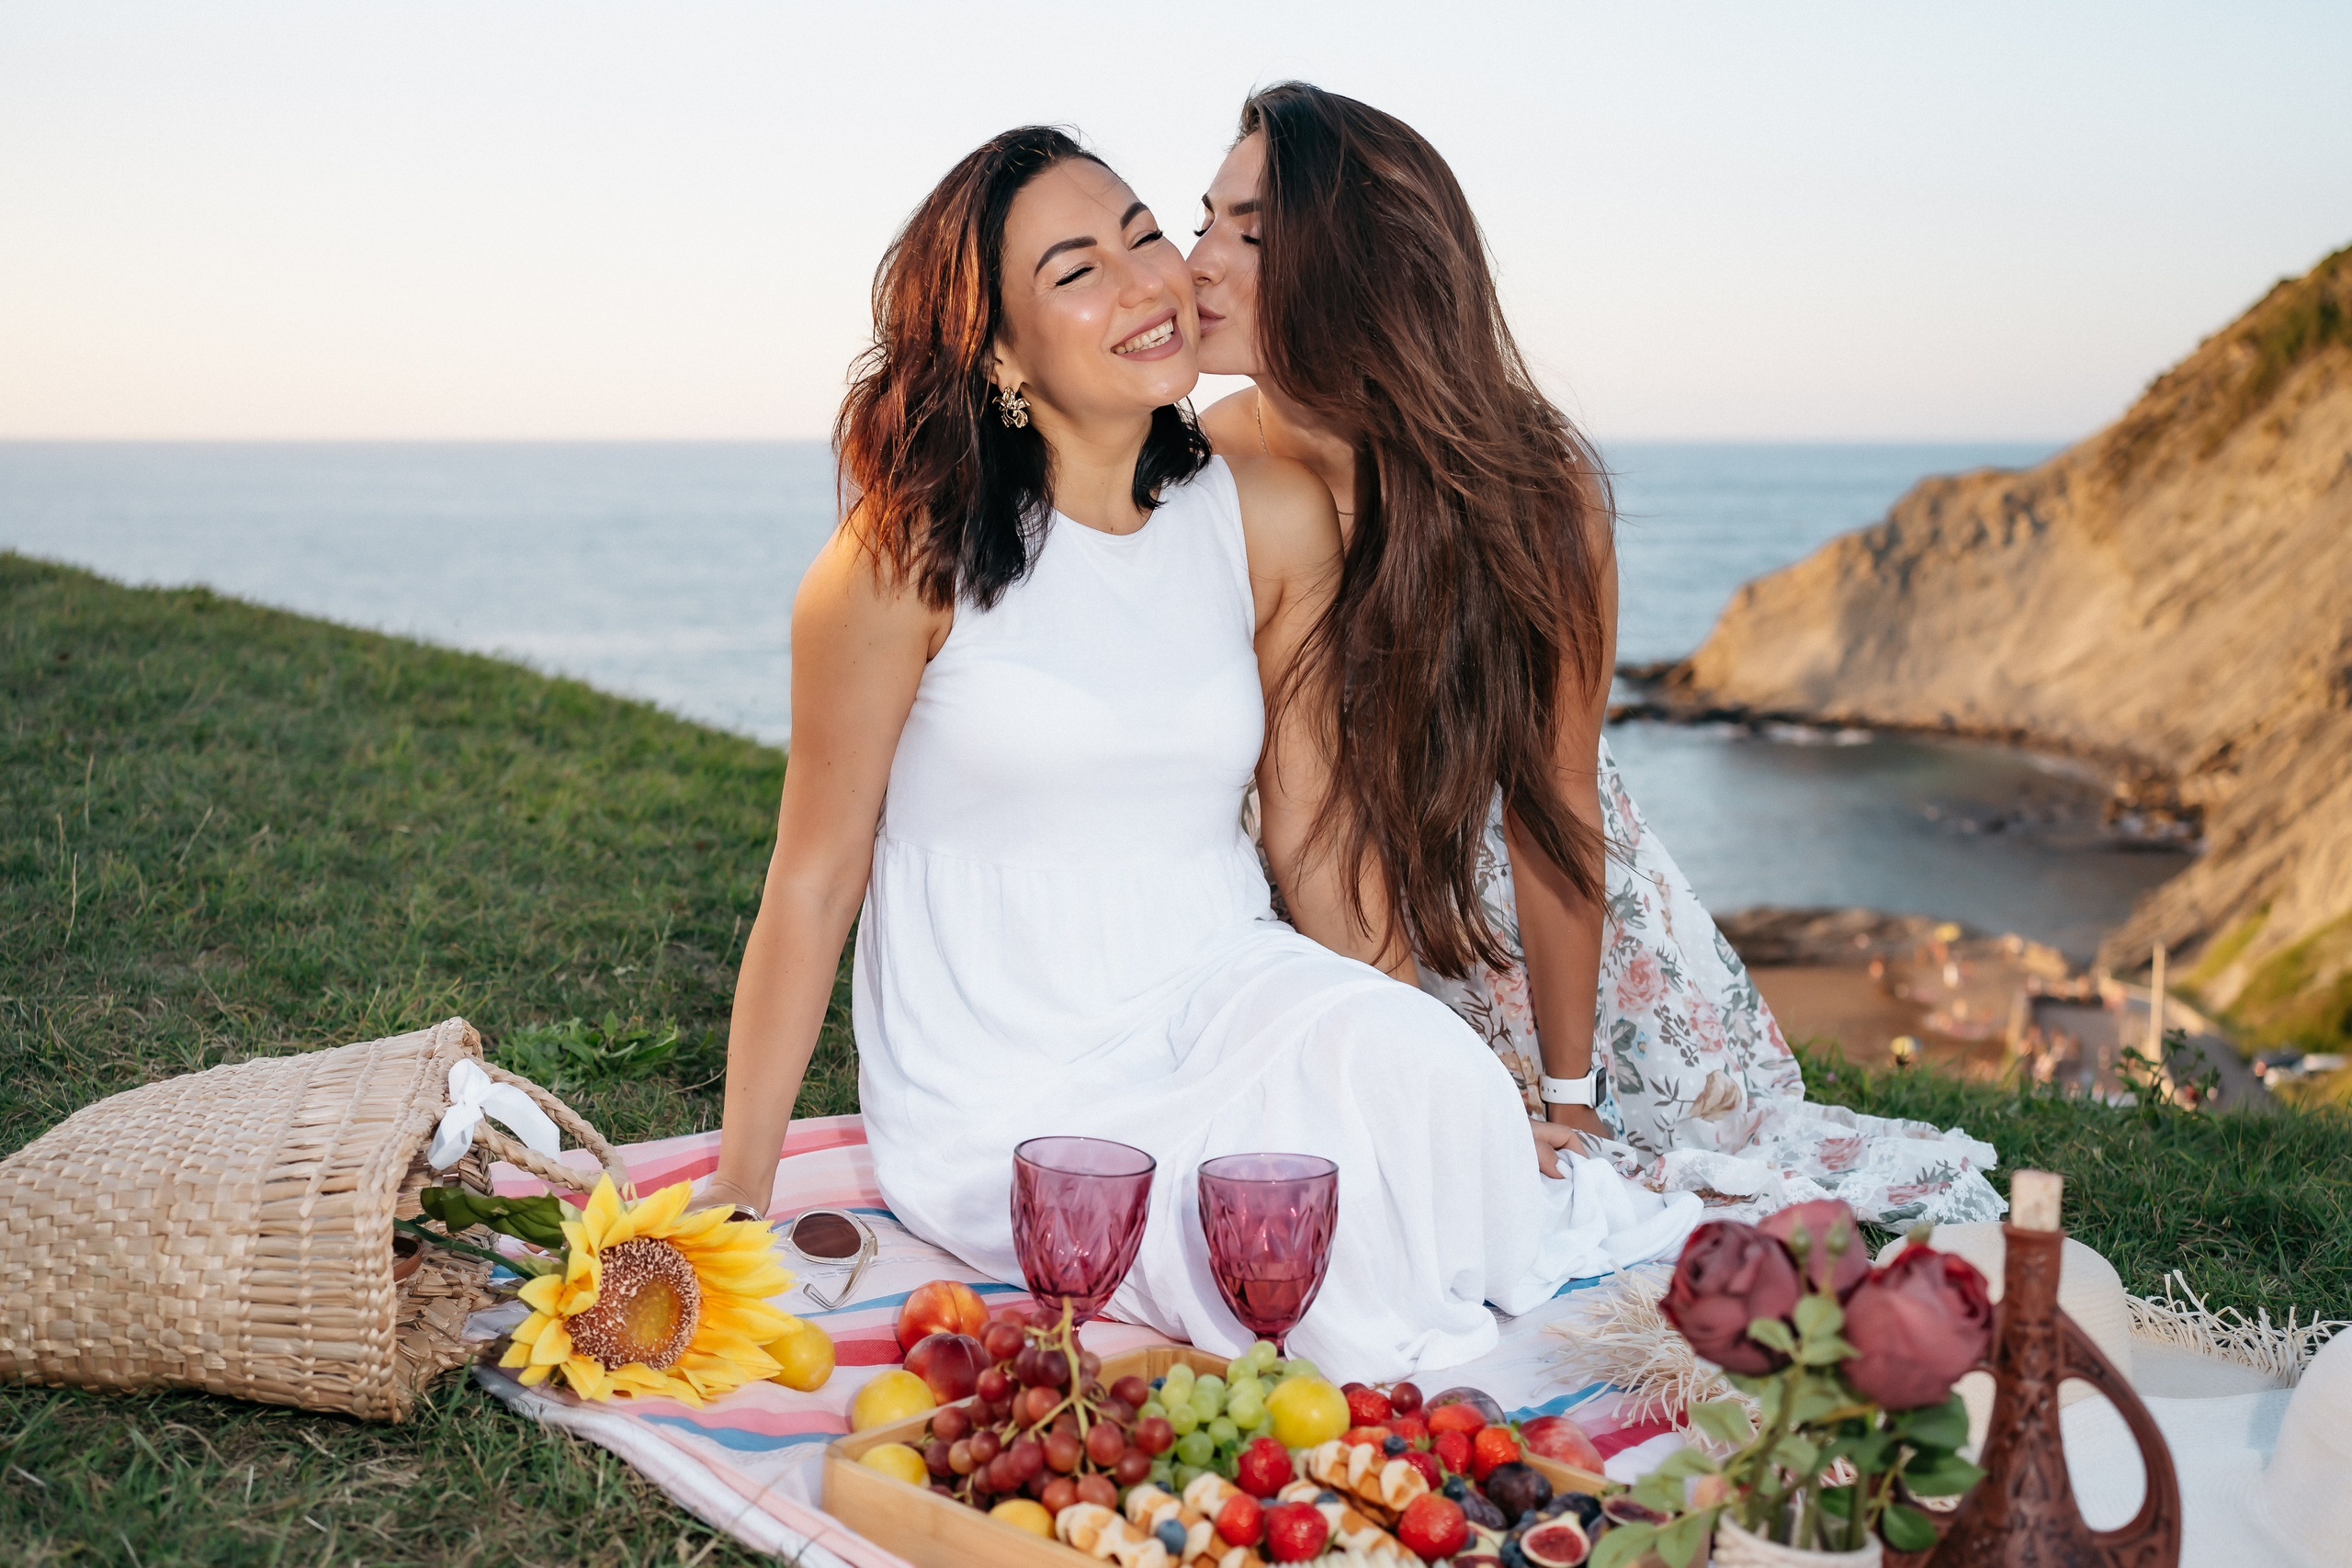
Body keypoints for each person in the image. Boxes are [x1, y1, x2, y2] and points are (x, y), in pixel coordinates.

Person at [703, 127, 1698, 1377]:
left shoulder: (1260, 512)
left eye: (1142, 235)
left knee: (1436, 1104)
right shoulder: (898, 563)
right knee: (1298, 1242)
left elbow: (1317, 836)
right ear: (999, 349)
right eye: (1077, 270)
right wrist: (739, 1184)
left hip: (1226, 983)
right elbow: (811, 879)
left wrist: (1425, 1063)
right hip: (1011, 1061)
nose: (1146, 281)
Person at [1188, 84, 2002, 1227]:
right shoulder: (1198, 470)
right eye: (1204, 221)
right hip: (1304, 895)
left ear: (1362, 269)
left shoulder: (1531, 486)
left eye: (1253, 235)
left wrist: (1569, 1089)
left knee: (1634, 1173)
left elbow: (1554, 795)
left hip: (1507, 910)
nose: (1197, 263)